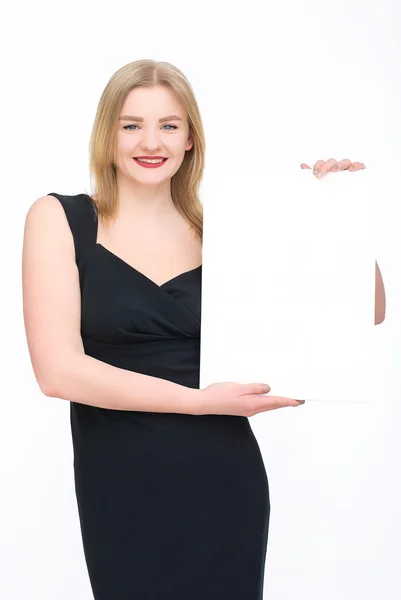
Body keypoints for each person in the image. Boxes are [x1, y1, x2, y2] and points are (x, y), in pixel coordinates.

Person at [22, 59, 386, 600]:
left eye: (169, 125)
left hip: (223, 477)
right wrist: (200, 402)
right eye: (131, 125)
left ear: (190, 138)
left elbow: (366, 310)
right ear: (108, 134)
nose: (151, 141)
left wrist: (331, 216)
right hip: (120, 483)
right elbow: (58, 372)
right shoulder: (61, 218)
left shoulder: (227, 227)